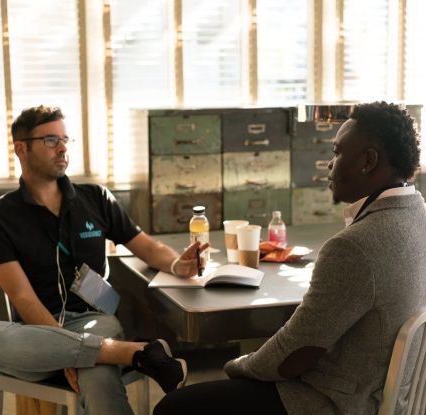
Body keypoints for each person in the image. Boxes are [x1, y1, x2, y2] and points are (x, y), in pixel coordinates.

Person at [153, 101, 426, 415]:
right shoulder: (418, 215)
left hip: (335, 403)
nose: (329, 164)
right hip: (395, 399)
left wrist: (238, 366)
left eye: (337, 153)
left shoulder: (354, 247)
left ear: (368, 160)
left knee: (174, 407)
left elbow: (293, 355)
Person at [0, 105, 207, 415]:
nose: (62, 147)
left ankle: (108, 353)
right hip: (36, 335)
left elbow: (147, 247)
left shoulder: (96, 198)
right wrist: (65, 351)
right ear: (21, 148)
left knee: (96, 369)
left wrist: (177, 265)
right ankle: (140, 353)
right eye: (51, 140)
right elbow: (22, 297)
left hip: (96, 321)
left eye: (65, 139)